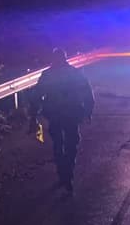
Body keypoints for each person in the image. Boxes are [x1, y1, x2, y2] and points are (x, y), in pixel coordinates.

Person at [29, 48, 94, 193]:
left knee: (58, 144)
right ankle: (68, 172)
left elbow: (37, 96)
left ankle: (62, 171)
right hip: (71, 114)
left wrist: (33, 115)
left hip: (54, 115)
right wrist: (88, 111)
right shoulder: (75, 73)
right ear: (65, 58)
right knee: (72, 144)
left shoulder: (47, 75)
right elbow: (87, 92)